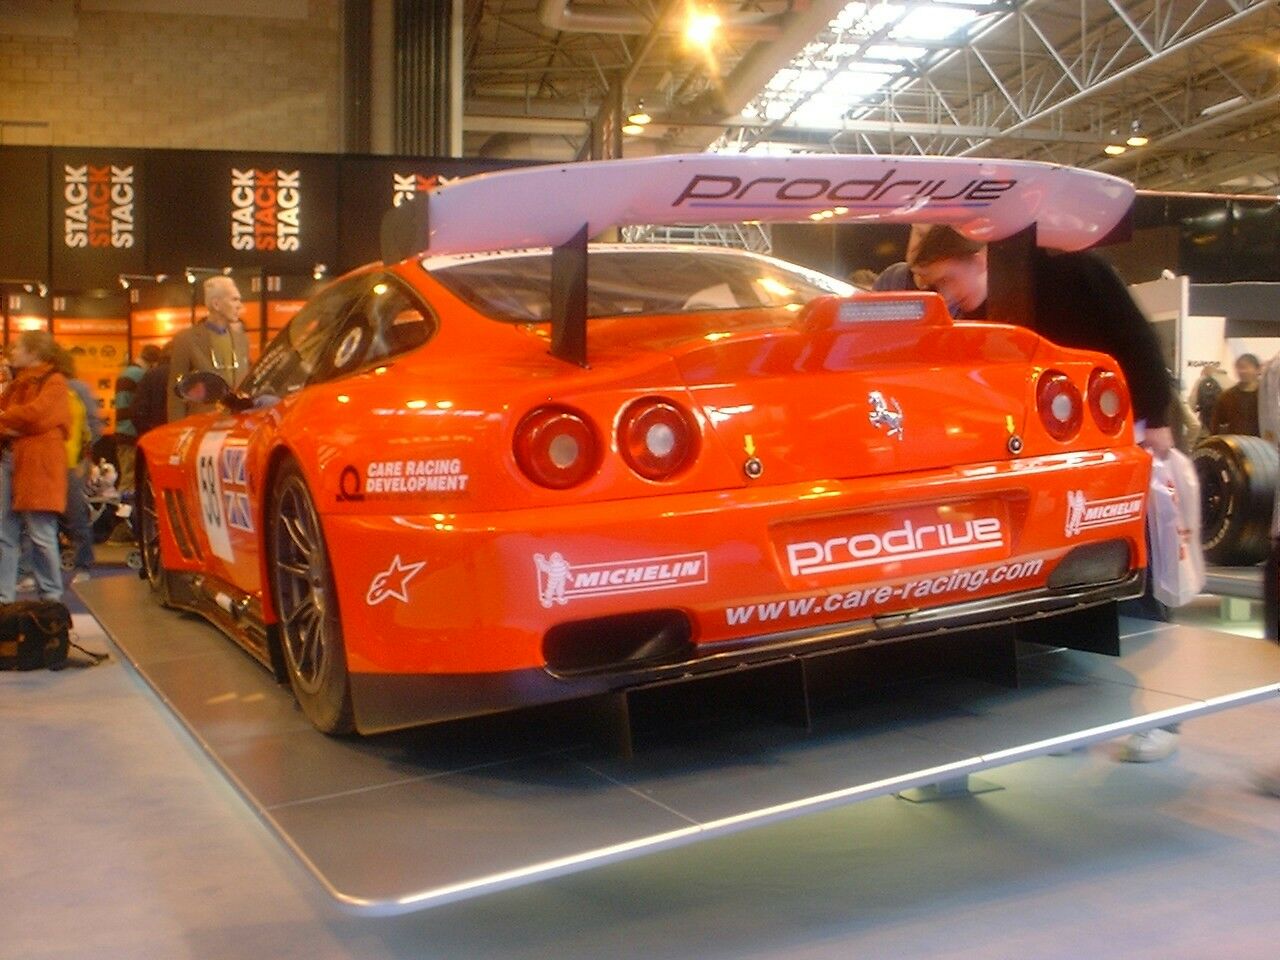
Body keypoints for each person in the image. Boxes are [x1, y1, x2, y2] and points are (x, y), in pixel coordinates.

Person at [908, 225, 1180, 762]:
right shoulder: (979, 319)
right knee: (1056, 582)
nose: (947, 296)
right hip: (1042, 470)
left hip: (1119, 445)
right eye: (935, 287)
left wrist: (1160, 417)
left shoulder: (1077, 272)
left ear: (981, 256)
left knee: (1135, 573)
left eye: (948, 280)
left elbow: (1139, 340)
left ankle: (1162, 719)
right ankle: (1075, 719)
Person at [0, 331, 71, 603]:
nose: (12, 352)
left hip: (37, 465)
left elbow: (39, 415)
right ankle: (4, 598)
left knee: (41, 533)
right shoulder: (19, 383)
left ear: (34, 352)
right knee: (5, 533)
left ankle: (51, 596)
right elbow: (30, 419)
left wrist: (8, 419)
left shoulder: (54, 381)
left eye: (17, 348)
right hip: (13, 459)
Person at [167, 275, 250, 421]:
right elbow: (176, 394)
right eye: (234, 299)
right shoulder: (186, 340)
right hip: (203, 426)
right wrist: (177, 432)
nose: (239, 305)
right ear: (216, 304)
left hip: (237, 426)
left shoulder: (242, 338)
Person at [113, 343, 161, 494]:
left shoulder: (126, 372)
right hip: (131, 432)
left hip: (122, 430)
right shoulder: (140, 375)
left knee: (126, 476)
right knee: (130, 480)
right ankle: (125, 515)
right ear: (153, 362)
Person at [1209, 353, 1261, 436]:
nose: (1242, 371)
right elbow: (1216, 425)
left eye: (1246, 367)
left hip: (1264, 445)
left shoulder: (1266, 396)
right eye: (1240, 368)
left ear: (1258, 369)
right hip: (1236, 444)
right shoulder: (1227, 396)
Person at [132, 342, 172, 438]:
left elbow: (138, 410)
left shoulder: (150, 375)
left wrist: (146, 432)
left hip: (155, 435)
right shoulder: (186, 375)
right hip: (179, 435)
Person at [1191, 364, 1224, 434]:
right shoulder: (1224, 381)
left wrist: (1192, 412)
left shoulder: (1201, 381)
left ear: (1203, 372)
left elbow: (1193, 400)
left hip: (1205, 417)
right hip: (1220, 420)